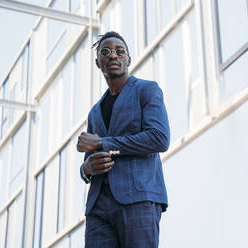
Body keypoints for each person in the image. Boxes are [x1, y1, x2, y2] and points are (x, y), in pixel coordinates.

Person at [76, 31, 170, 248]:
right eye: (105, 52)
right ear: (98, 62)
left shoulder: (147, 90)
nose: (113, 56)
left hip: (138, 199)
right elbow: (90, 158)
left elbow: (158, 139)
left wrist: (104, 144)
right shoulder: (94, 112)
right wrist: (86, 169)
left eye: (120, 51)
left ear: (128, 59)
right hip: (98, 206)